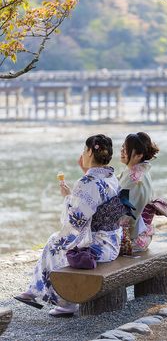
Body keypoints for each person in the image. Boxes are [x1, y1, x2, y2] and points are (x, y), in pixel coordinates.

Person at [15, 134, 123, 317]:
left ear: (90, 151)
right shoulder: (111, 177)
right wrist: (73, 196)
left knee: (54, 243)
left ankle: (63, 302)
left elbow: (75, 222)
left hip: (99, 248)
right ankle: (35, 292)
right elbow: (91, 209)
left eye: (84, 150)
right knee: (58, 242)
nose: (82, 153)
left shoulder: (87, 182)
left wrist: (67, 198)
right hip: (113, 241)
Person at [119, 132, 159, 254]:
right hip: (142, 235)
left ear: (138, 155)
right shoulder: (140, 172)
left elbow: (126, 216)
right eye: (122, 147)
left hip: (132, 241)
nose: (121, 151)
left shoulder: (134, 179)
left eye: (125, 149)